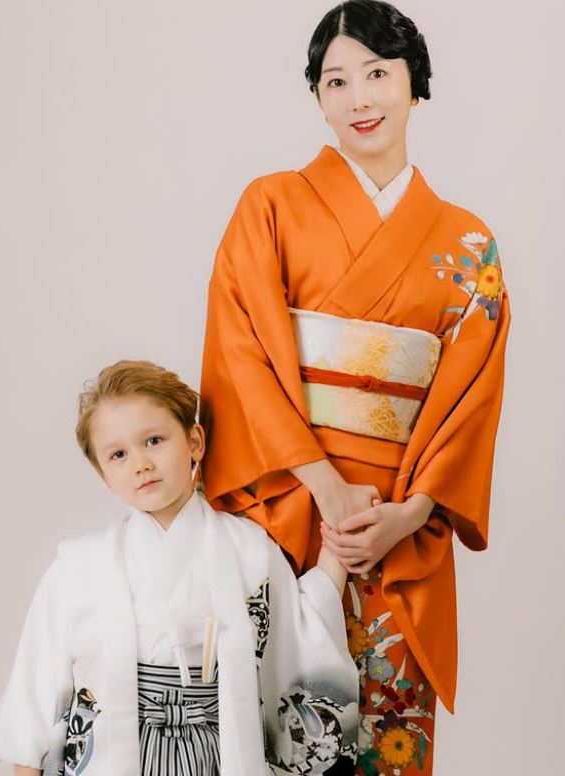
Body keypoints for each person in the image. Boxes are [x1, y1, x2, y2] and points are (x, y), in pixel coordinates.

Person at [200, 1, 510, 774]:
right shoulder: (270, 205)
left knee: (385, 746)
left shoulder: (468, 243)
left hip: (394, 527)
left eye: (377, 73)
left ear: (414, 84)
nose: (359, 98)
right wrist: (324, 486)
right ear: (317, 97)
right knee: (267, 737)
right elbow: (240, 353)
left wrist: (410, 513)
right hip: (288, 512)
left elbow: (471, 401)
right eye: (336, 81)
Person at [0, 360, 359, 776]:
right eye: (118, 454)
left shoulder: (251, 551)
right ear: (104, 475)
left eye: (154, 440)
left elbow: (299, 640)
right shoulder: (77, 567)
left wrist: (340, 546)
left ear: (194, 441)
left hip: (219, 757)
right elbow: (35, 698)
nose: (141, 463)